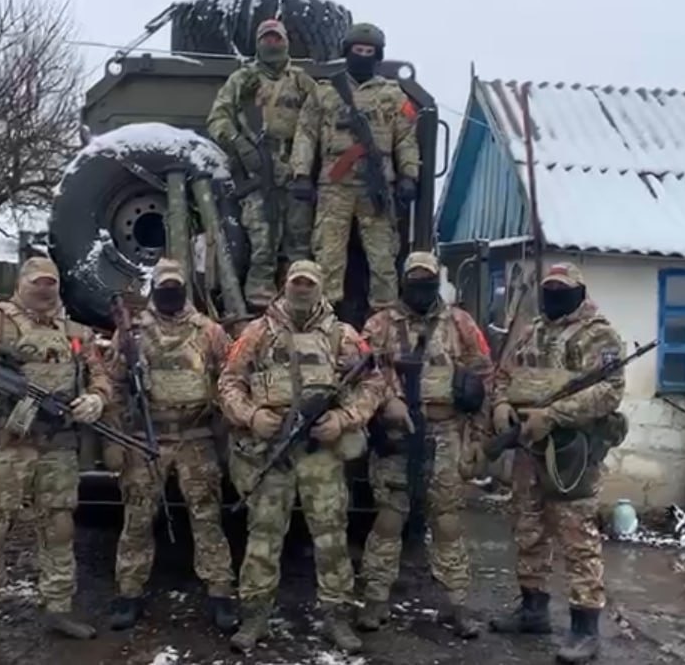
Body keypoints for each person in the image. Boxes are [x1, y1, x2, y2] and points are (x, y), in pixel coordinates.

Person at [217, 260, 384, 654]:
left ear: (320, 287)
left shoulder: (343, 336)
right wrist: (251, 416)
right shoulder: (257, 333)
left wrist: (343, 418)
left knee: (331, 536)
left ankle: (336, 616)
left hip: (320, 453)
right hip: (271, 449)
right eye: (296, 283)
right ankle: (255, 615)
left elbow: (374, 384)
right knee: (263, 535)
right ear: (285, 285)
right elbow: (228, 383)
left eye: (309, 283)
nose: (302, 289)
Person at [0, 256, 112, 652]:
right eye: (36, 282)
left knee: (59, 527)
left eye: (50, 283)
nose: (43, 289)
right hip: (8, 442)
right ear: (21, 284)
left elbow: (101, 376)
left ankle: (58, 607)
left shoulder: (76, 332)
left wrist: (96, 398)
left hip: (58, 446)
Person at [486, 262, 626, 664]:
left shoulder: (598, 335)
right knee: (528, 528)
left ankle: (585, 629)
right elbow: (503, 375)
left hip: (571, 452)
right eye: (549, 289)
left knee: (577, 537)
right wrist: (500, 405)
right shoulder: (532, 330)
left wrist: (553, 415)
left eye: (562, 289)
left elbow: (610, 390)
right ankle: (533, 609)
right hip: (528, 449)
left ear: (579, 292)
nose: (553, 296)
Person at [356, 251, 492, 637]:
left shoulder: (460, 323)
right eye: (414, 280)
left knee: (446, 521)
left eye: (427, 280)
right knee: (389, 517)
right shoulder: (380, 324)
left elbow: (484, 377)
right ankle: (375, 600)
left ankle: (458, 605)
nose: (421, 287)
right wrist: (388, 400)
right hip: (398, 433)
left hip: (446, 431)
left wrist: (477, 437)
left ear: (437, 281)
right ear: (403, 282)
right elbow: (360, 371)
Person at [105, 259, 237, 633]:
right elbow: (112, 384)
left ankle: (220, 592)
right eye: (163, 287)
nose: (169, 293)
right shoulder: (131, 333)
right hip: (147, 439)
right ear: (154, 289)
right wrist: (115, 438)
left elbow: (230, 377)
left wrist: (225, 425)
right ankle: (129, 592)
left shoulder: (208, 331)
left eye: (175, 286)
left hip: (196, 438)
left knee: (207, 518)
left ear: (184, 288)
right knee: (137, 517)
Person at [290, 22, 420, 314]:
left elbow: (406, 139)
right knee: (328, 257)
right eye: (357, 50)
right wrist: (301, 173)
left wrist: (409, 175)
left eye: (368, 51)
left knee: (383, 258)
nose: (362, 56)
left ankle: (384, 320)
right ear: (347, 52)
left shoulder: (393, 95)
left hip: (376, 186)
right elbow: (306, 134)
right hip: (334, 186)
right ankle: (324, 317)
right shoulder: (325, 93)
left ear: (378, 56)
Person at [206, 18, 319, 311]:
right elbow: (217, 119)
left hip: (294, 171)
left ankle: (298, 308)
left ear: (286, 42)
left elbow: (318, 122)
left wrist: (304, 168)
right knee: (262, 246)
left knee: (299, 245)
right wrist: (240, 145)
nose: (272, 43)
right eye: (267, 38)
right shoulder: (242, 80)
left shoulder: (302, 82)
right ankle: (259, 309)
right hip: (256, 172)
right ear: (258, 43)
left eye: (277, 38)